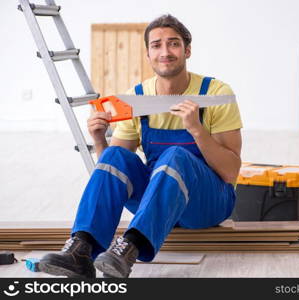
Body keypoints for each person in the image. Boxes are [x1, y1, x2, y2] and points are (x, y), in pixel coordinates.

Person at [39, 14, 243, 278]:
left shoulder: (215, 93)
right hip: (155, 203)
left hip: (206, 205)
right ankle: (81, 250)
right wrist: (100, 139)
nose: (165, 52)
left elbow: (231, 173)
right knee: (114, 153)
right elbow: (114, 173)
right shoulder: (137, 97)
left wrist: (196, 128)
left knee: (175, 156)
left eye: (173, 44)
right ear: (148, 54)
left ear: (187, 50)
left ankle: (129, 248)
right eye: (157, 45)